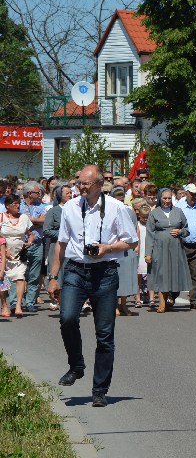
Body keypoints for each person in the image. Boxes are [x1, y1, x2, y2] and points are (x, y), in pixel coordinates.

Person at [48, 165, 138, 407]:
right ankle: (76, 365)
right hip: (75, 271)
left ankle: (99, 390)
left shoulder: (117, 208)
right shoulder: (70, 207)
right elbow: (61, 244)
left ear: (99, 184)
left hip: (104, 273)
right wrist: (53, 277)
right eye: (79, 183)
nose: (81, 187)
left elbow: (131, 241)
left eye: (86, 183)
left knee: (105, 335)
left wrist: (107, 248)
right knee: (67, 318)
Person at [145, 188, 192, 313]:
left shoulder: (178, 211)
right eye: (164, 198)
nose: (167, 201)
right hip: (160, 248)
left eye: (169, 198)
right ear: (160, 199)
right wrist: (148, 253)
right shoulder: (154, 213)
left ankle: (171, 297)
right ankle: (162, 304)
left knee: (175, 274)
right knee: (161, 274)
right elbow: (149, 234)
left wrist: (180, 231)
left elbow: (187, 229)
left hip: (176, 248)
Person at [13, 181, 45, 313]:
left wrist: (27, 220)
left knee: (34, 274)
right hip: (21, 244)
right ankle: (15, 302)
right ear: (30, 193)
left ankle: (30, 302)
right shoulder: (19, 205)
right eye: (37, 192)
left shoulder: (40, 205)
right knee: (18, 273)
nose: (40, 194)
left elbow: (44, 220)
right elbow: (16, 220)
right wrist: (35, 222)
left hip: (37, 243)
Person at [0, 194, 34, 318]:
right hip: (3, 254)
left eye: (18, 203)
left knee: (20, 278)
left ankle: (19, 305)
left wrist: (29, 242)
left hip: (19, 255)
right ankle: (4, 305)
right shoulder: (1, 217)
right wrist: (4, 251)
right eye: (14, 204)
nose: (17, 206)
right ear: (7, 206)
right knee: (3, 281)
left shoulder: (24, 218)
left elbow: (30, 234)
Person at [111, 187, 139, 316]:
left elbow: (134, 229)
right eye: (117, 199)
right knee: (115, 279)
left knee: (126, 278)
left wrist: (135, 247)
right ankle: (114, 305)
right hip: (113, 249)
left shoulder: (129, 212)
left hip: (127, 249)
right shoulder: (108, 212)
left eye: (122, 200)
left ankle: (123, 304)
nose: (120, 202)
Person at [44, 184, 71, 312]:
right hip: (57, 246)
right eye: (67, 193)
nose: (70, 195)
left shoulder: (75, 209)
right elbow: (47, 230)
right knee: (57, 273)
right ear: (60, 195)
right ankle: (55, 298)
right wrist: (63, 235)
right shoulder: (53, 211)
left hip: (72, 247)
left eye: (71, 193)